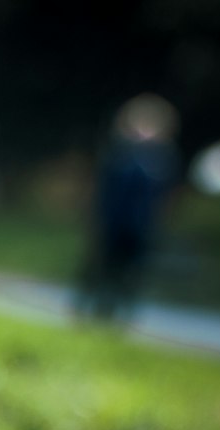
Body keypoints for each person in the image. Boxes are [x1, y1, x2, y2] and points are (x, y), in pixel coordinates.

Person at [78, 94, 181, 321]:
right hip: (113, 222)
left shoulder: (163, 160)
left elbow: (165, 198)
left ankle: (119, 313)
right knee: (102, 266)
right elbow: (103, 189)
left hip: (141, 226)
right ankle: (90, 309)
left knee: (131, 272)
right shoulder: (120, 154)